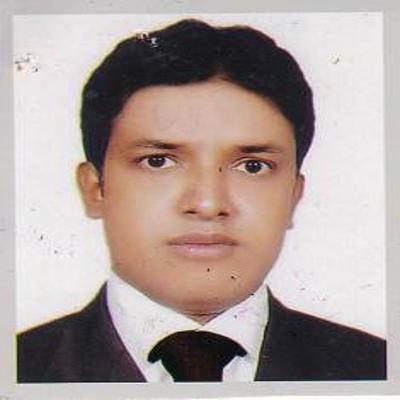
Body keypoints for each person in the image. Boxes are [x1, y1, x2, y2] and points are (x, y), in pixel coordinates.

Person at [17, 18, 386, 382]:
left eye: (252, 166)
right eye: (158, 161)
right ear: (95, 188)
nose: (208, 204)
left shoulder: (378, 369)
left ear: (293, 195)